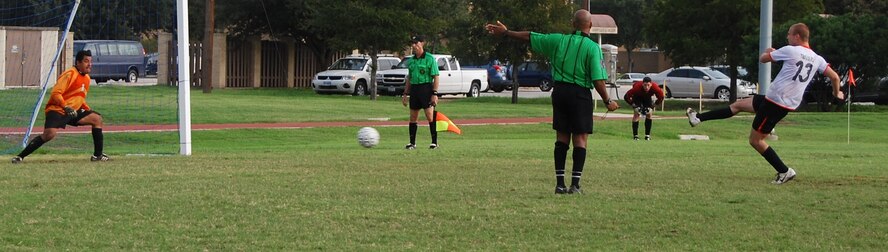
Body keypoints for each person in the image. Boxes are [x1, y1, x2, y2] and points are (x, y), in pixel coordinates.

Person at [685, 23, 843, 184]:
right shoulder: (818, 59)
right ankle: (697, 118)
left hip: (776, 103)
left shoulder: (791, 50)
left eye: (789, 34)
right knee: (738, 105)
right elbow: (835, 77)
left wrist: (770, 52)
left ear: (797, 36)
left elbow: (763, 59)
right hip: (778, 101)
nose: (787, 37)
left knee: (755, 141)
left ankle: (784, 171)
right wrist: (836, 93)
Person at [485, 10, 620, 194]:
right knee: (580, 138)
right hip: (580, 94)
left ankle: (559, 184)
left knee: (562, 137)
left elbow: (531, 37)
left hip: (560, 92)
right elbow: (598, 79)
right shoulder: (592, 48)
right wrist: (608, 100)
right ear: (590, 26)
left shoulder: (558, 40)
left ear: (573, 24)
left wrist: (507, 32)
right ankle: (575, 185)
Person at [11, 50, 110, 164]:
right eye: (86, 61)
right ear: (78, 63)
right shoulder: (70, 74)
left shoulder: (87, 78)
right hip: (57, 109)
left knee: (96, 119)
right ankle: (20, 156)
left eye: (90, 62)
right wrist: (65, 106)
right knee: (49, 135)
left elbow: (79, 98)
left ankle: (97, 155)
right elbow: (55, 94)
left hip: (73, 111)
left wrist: (86, 109)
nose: (89, 64)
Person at [401, 35, 441, 150]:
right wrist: (405, 94)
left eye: (416, 43)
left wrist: (434, 93)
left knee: (430, 115)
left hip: (426, 88)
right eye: (412, 43)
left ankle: (434, 142)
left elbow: (436, 76)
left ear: (422, 43)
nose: (414, 45)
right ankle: (412, 143)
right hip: (415, 89)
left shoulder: (429, 58)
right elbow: (409, 77)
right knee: (413, 116)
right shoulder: (412, 60)